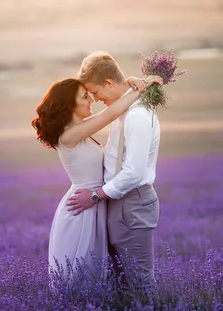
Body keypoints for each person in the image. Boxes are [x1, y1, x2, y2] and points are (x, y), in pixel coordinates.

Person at [31, 74, 161, 281]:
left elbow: (111, 111)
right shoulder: (69, 135)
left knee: (99, 274)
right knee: (79, 275)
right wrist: (141, 86)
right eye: (84, 97)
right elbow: (111, 113)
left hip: (94, 201)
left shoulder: (79, 130)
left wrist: (134, 87)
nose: (91, 100)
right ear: (70, 105)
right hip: (82, 206)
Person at [66, 51, 162, 287]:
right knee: (121, 283)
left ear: (108, 83)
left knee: (140, 283)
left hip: (133, 202)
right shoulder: (124, 113)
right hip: (118, 202)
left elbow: (134, 172)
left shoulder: (137, 116)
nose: (96, 99)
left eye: (96, 92)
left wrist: (96, 196)